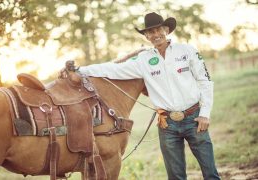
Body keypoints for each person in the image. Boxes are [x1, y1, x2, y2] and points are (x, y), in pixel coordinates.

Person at [77, 12, 220, 180]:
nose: (155, 35)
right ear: (146, 36)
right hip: (167, 125)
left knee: (210, 173)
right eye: (150, 32)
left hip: (194, 119)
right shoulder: (143, 60)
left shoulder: (187, 51)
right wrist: (80, 70)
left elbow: (205, 81)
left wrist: (204, 114)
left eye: (158, 30)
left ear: (166, 30)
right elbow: (112, 69)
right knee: (175, 176)